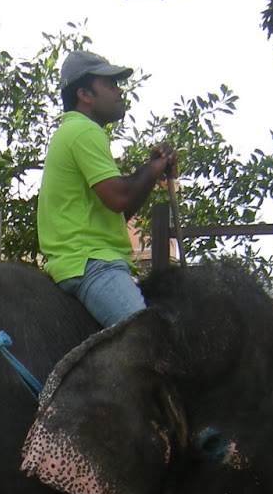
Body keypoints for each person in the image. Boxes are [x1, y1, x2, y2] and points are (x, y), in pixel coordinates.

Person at [36, 50, 179, 329]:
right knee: (152, 340)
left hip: (82, 261)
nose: (119, 91)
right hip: (93, 264)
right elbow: (120, 198)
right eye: (110, 84)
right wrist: (153, 168)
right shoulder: (84, 132)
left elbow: (118, 210)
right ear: (85, 95)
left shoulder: (73, 132)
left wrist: (152, 169)